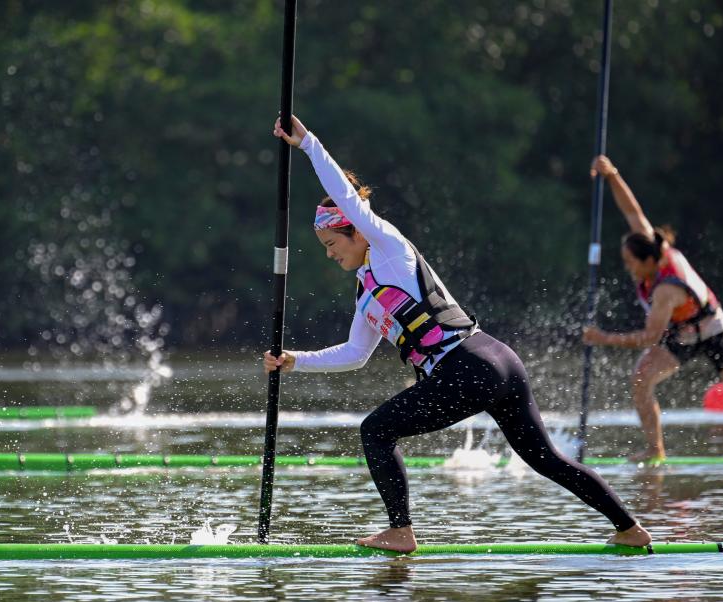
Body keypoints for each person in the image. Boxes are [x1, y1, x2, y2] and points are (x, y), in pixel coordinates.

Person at [263, 115, 651, 553]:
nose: (330, 255)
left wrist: (309, 144)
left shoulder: (389, 248)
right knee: (546, 460)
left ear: (355, 231)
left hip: (468, 365)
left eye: (332, 244)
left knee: (375, 430)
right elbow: (355, 353)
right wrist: (297, 359)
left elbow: (347, 198)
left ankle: (400, 531)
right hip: (497, 360)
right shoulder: (368, 296)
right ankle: (629, 528)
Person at [582, 155, 723, 462]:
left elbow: (649, 338)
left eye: (630, 263)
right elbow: (632, 212)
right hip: (679, 334)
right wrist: (612, 175)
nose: (628, 268)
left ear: (649, 261)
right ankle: (655, 450)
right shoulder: (648, 243)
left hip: (712, 330)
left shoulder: (666, 290)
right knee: (640, 380)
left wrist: (603, 338)